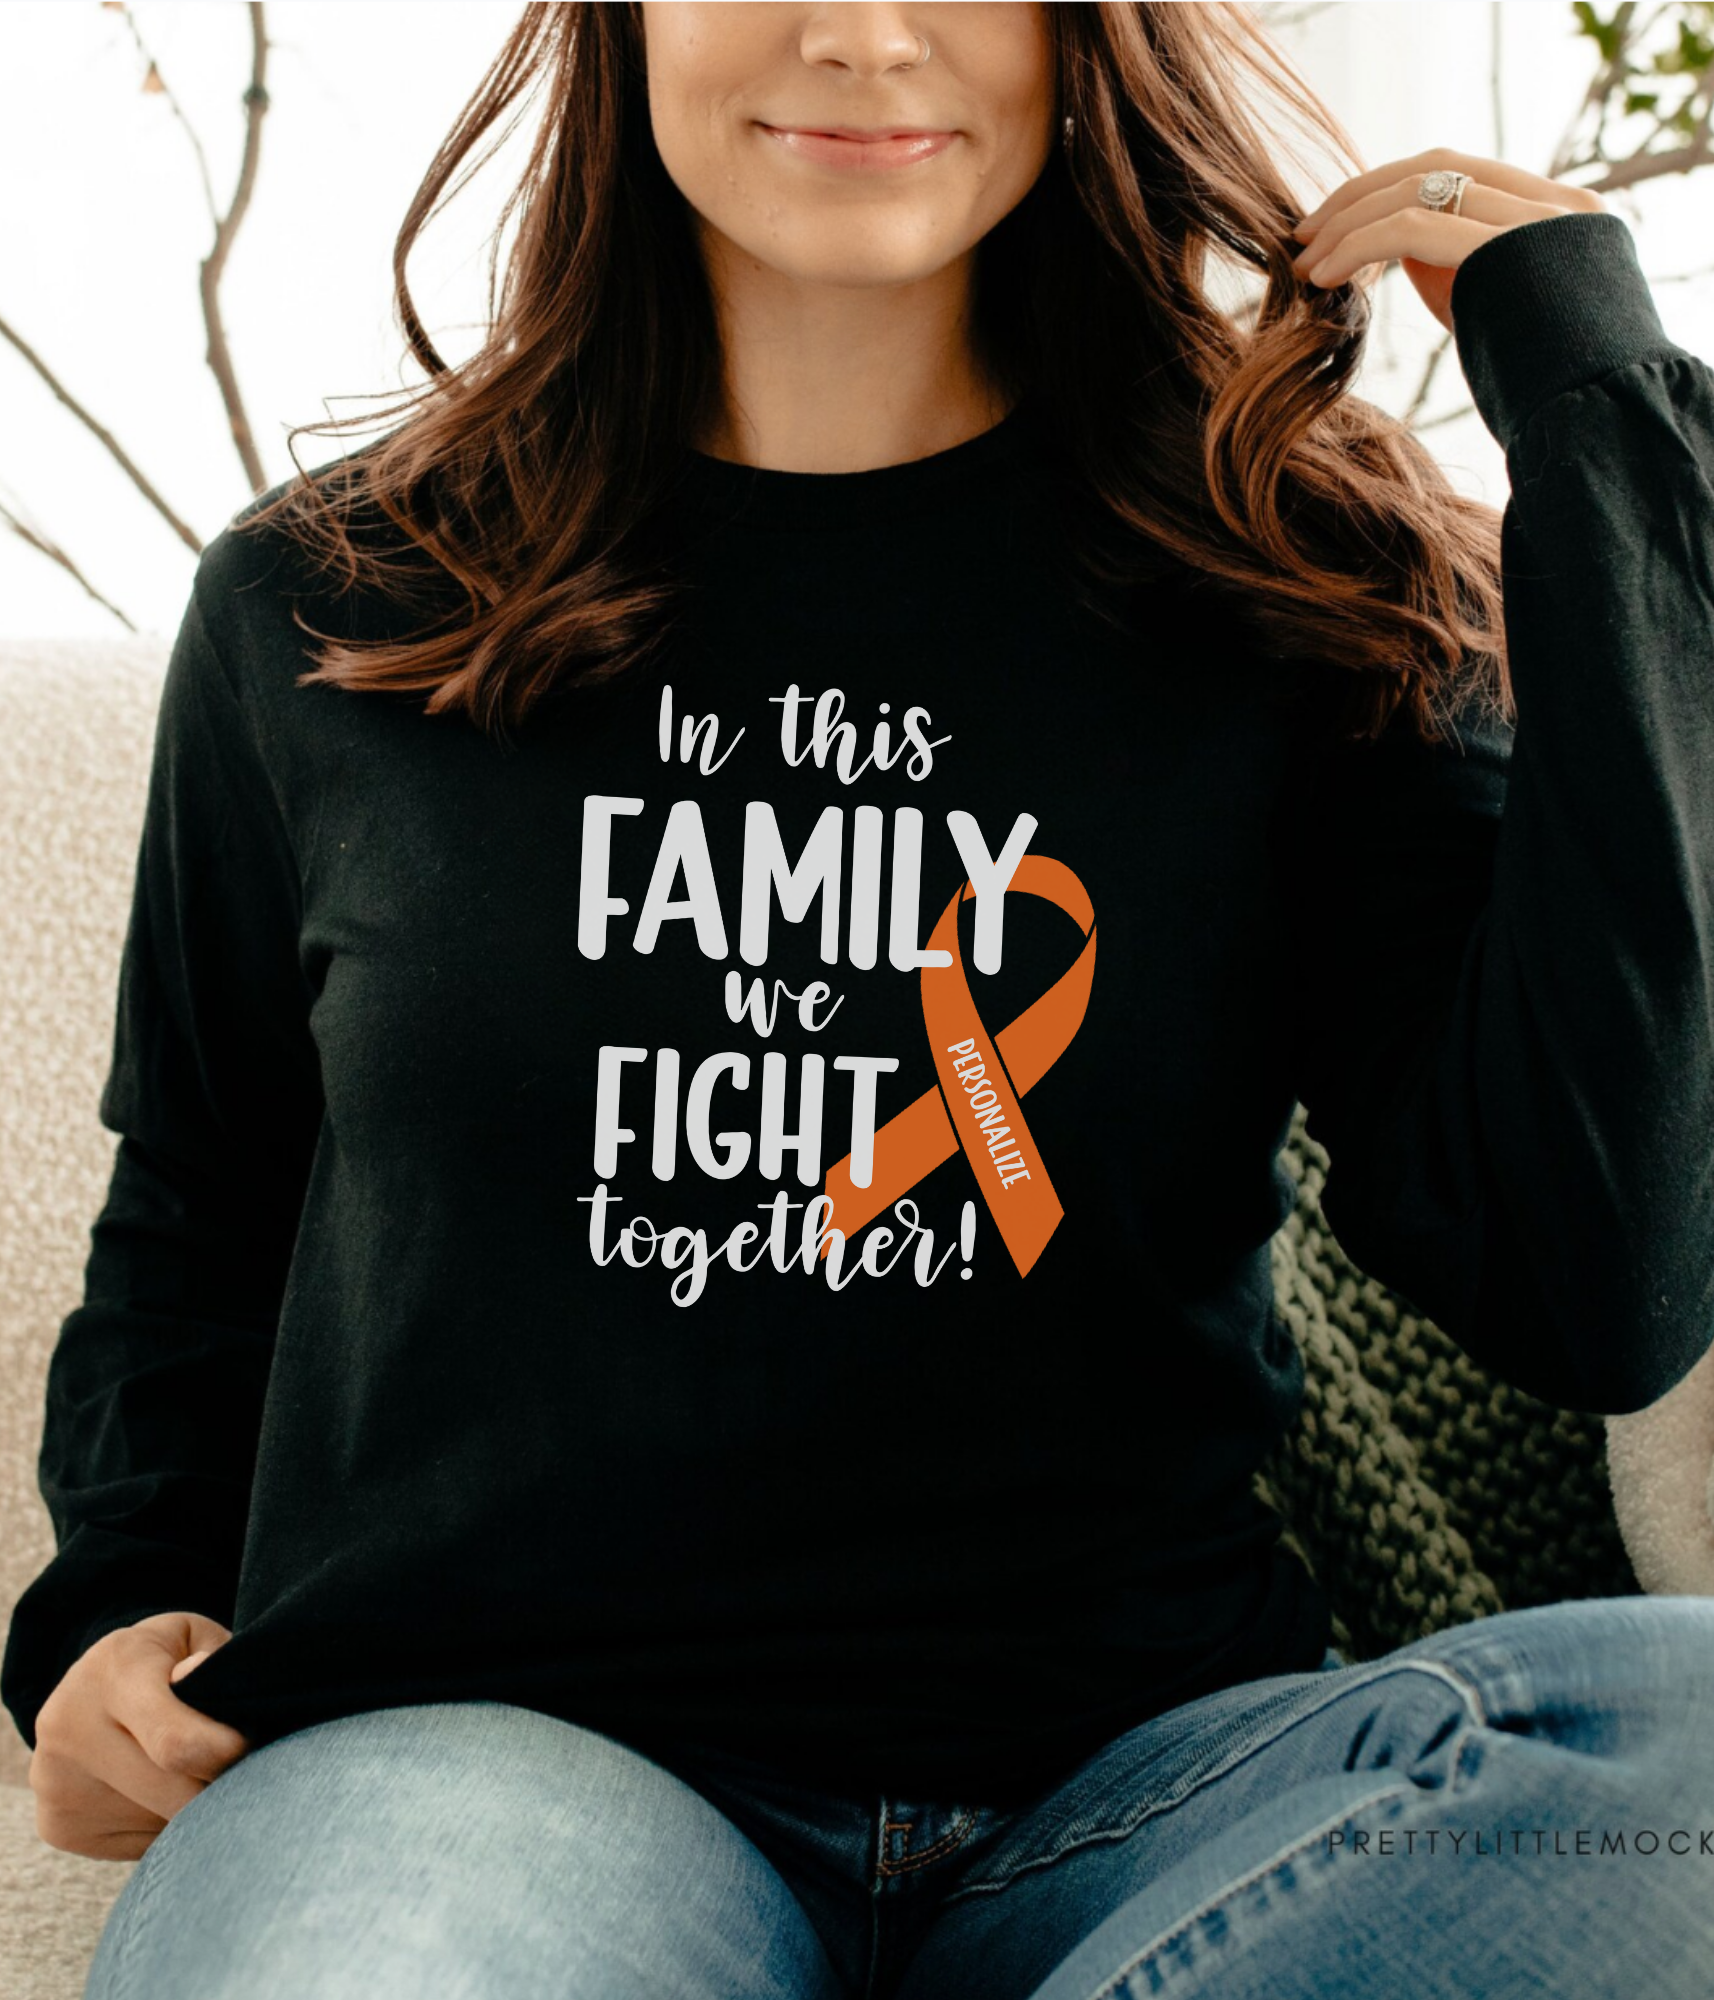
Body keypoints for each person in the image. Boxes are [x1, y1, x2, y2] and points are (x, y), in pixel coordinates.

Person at [6, 3, 1714, 1995]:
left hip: (1150, 1813)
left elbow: (1600, 1269)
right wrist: (106, 1609)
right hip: (497, 1774)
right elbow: (205, 1208)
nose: (858, 33)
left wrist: (1598, 410)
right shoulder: (342, 604)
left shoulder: (1290, 597)